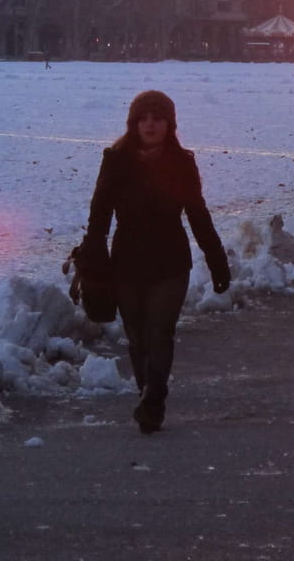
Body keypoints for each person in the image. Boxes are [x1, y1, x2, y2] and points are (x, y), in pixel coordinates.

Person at [71, 90, 230, 434]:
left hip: (171, 263)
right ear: (134, 123)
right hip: (126, 262)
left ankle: (153, 400)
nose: (150, 124)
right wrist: (95, 252)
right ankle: (148, 390)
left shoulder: (182, 162)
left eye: (158, 118)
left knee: (159, 332)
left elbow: (198, 215)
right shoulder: (116, 160)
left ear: (169, 124)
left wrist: (217, 261)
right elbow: (100, 211)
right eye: (144, 118)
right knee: (137, 337)